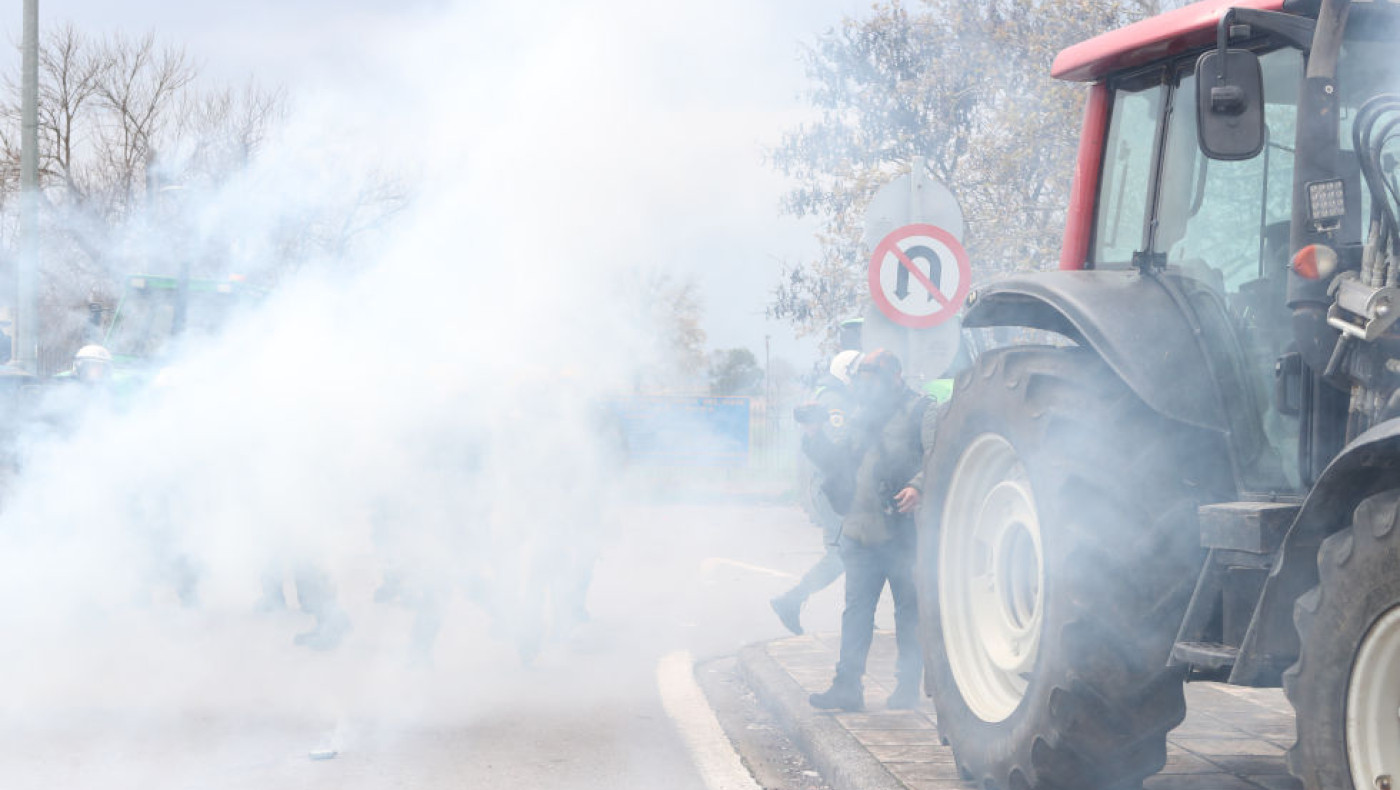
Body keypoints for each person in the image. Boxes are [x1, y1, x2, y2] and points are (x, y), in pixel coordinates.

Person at [802, 349, 930, 712]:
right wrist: (814, 434)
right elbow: (837, 463)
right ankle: (847, 687)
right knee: (857, 612)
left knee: (908, 612)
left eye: (873, 379)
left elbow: (940, 455)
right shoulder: (860, 415)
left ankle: (907, 686)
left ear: (896, 376)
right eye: (863, 380)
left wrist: (919, 485)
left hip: (904, 532)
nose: (867, 387)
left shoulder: (922, 410)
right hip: (860, 530)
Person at [772, 349, 860, 635]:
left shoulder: (837, 397)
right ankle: (792, 600)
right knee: (841, 555)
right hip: (834, 490)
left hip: (834, 488)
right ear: (847, 373)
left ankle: (860, 617)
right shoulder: (835, 401)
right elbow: (834, 451)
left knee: (853, 553)